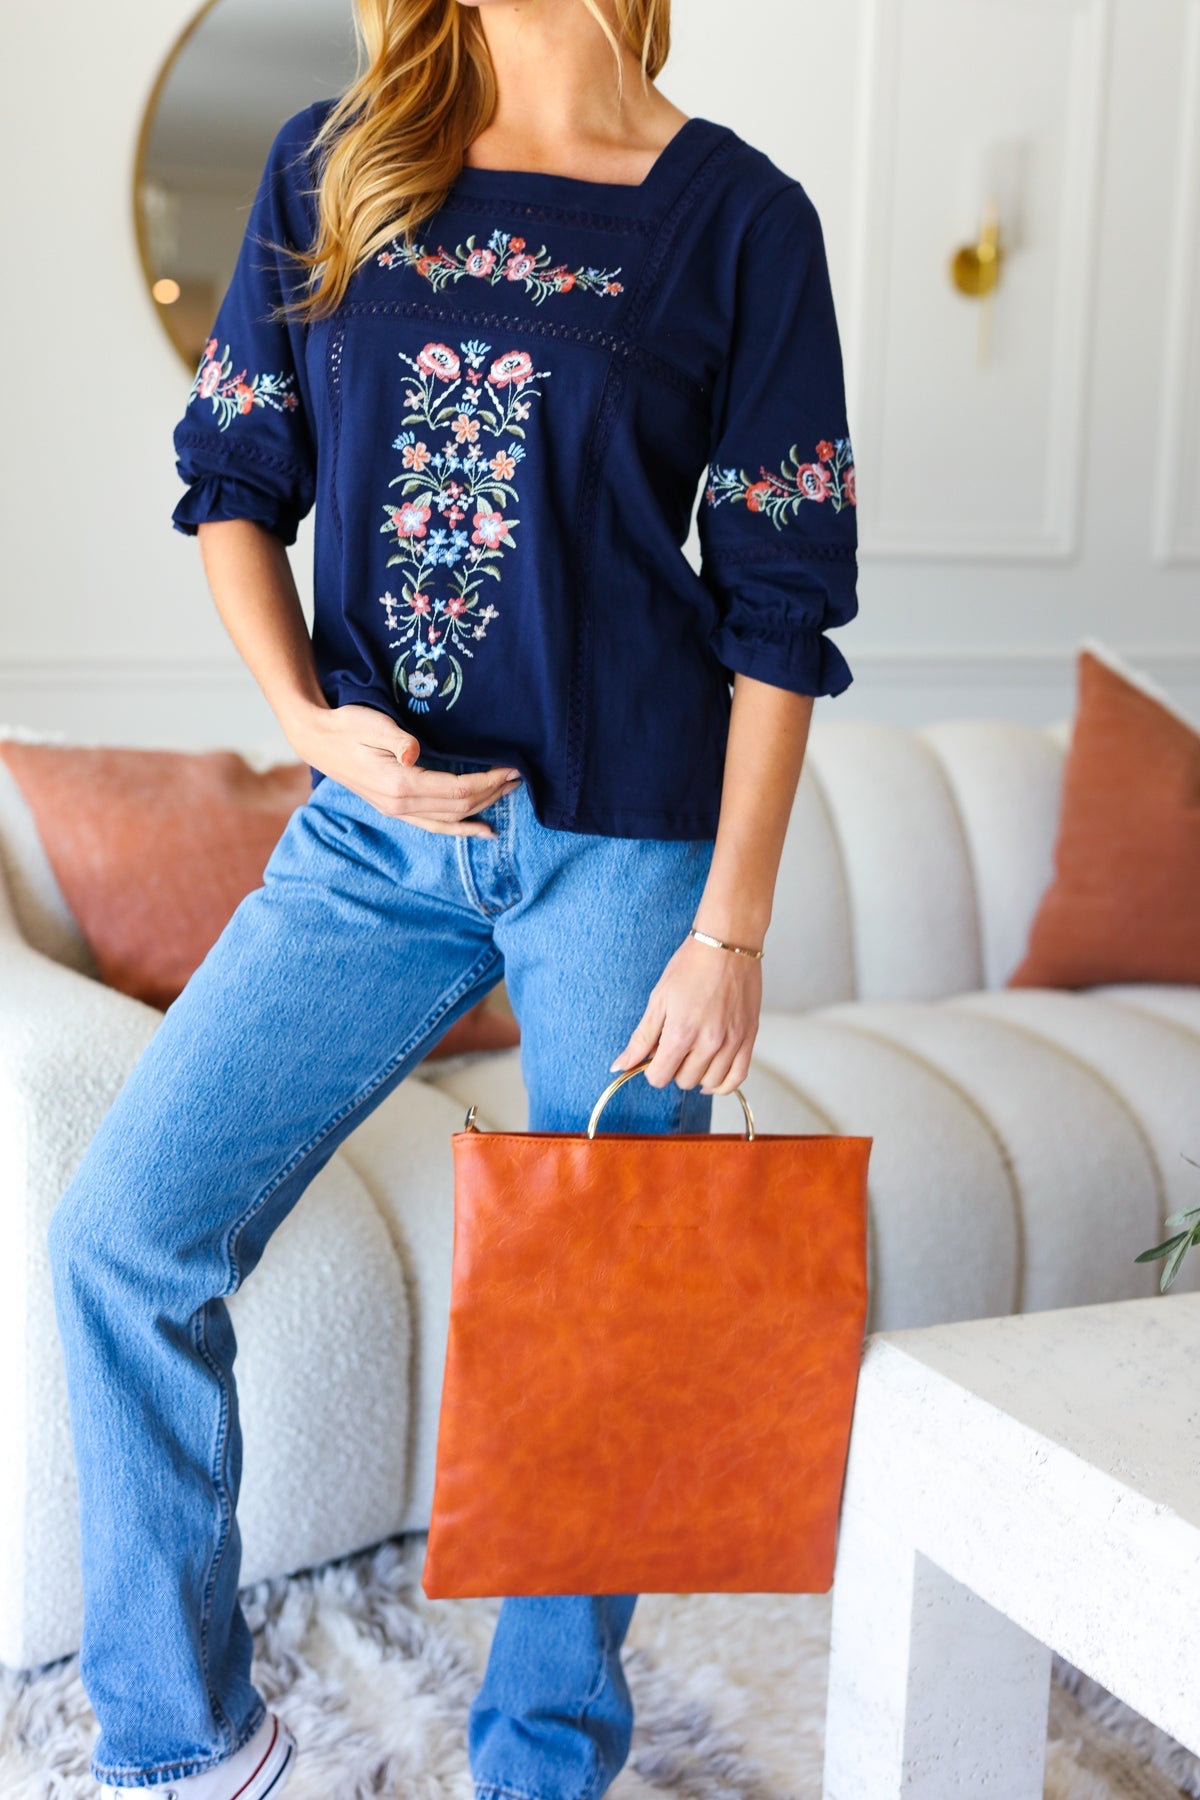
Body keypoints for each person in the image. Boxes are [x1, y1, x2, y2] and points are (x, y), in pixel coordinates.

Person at [47, 0, 859, 1794]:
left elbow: (785, 604)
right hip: (373, 838)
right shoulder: (340, 162)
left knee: (612, 1317)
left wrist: (730, 925)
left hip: (633, 846)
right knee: (124, 1233)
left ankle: (542, 1763)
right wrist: (307, 727)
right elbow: (236, 483)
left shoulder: (741, 217)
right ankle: (186, 1751)